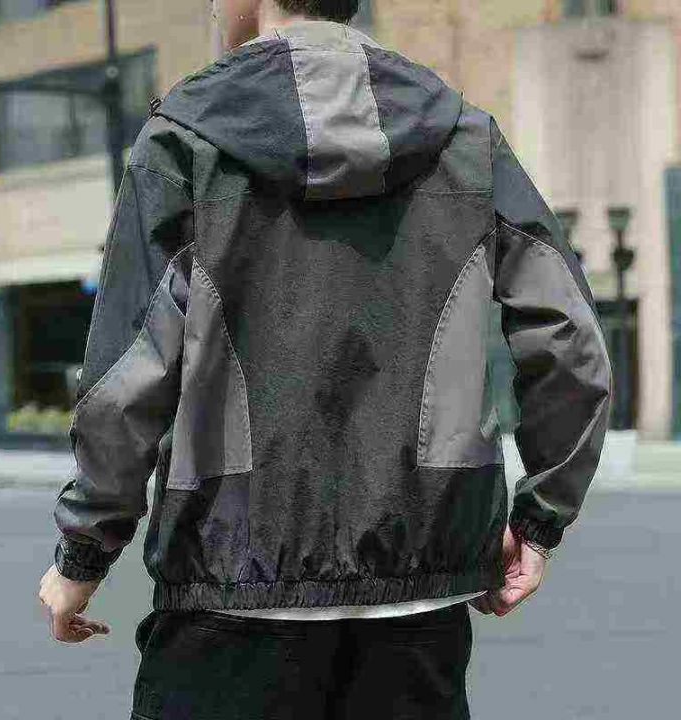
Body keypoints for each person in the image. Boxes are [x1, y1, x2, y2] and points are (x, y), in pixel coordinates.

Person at [38, 1, 613, 718]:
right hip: (416, 610)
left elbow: (127, 377)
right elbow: (571, 343)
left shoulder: (184, 140)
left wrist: (84, 553)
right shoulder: (465, 137)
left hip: (227, 598)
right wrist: (538, 520)